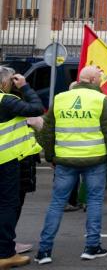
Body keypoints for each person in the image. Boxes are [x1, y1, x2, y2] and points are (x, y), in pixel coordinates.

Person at [35, 66, 107, 264]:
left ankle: (44, 251)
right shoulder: (101, 100)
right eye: (99, 77)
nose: (101, 80)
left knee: (57, 203)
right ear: (92, 80)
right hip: (95, 159)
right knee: (94, 202)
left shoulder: (59, 98)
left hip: (65, 159)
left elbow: (48, 130)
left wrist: (51, 156)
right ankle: (91, 247)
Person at [0, 67, 44, 268]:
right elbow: (37, 108)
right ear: (4, 82)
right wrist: (25, 87)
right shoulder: (6, 101)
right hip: (6, 160)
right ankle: (5, 254)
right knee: (8, 205)